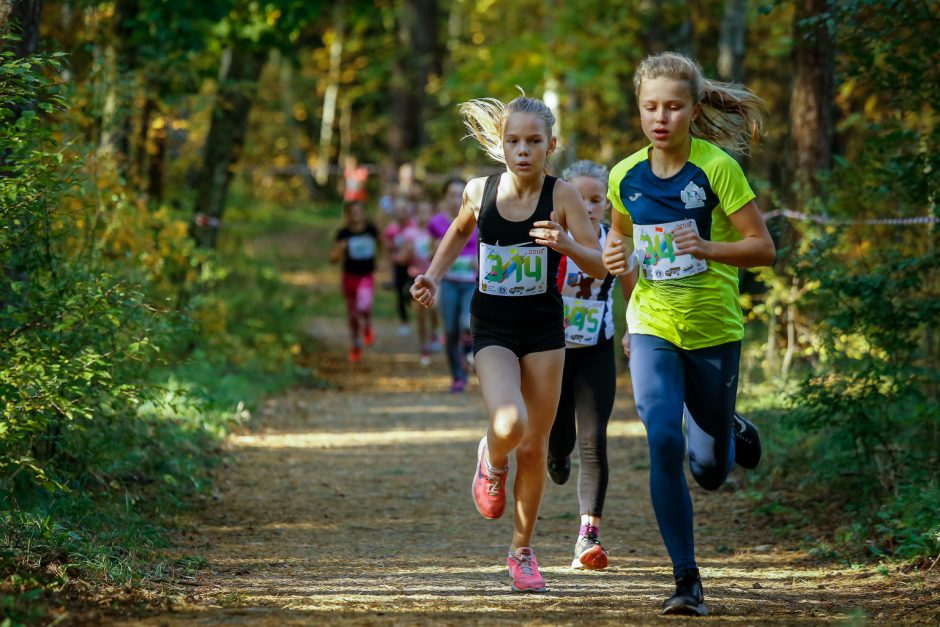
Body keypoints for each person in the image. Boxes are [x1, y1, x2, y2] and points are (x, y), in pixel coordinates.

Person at [411, 92, 606, 593]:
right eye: (513, 141)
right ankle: (492, 459)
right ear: (500, 145)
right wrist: (432, 276)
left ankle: (521, 552)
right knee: (509, 422)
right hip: (493, 327)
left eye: (534, 142)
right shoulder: (480, 190)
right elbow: (457, 232)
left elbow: (598, 263)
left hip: (544, 330)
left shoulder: (562, 196)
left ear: (550, 145)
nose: (523, 150)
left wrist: (565, 244)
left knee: (536, 447)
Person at [603, 52, 775, 616]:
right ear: (639, 108)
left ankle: (726, 423)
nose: (661, 117)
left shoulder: (718, 168)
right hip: (653, 324)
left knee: (711, 470)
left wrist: (708, 248)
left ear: (693, 109)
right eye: (651, 106)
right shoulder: (623, 175)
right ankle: (686, 578)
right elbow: (622, 248)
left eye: (674, 107)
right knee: (662, 439)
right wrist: (615, 258)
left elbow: (763, 249)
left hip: (714, 328)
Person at [547, 160, 636, 571]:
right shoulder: (549, 240)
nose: (588, 206)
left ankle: (588, 535)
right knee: (560, 436)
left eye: (596, 199)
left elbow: (636, 292)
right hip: (551, 352)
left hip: (596, 350)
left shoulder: (616, 244)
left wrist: (632, 331)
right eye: (580, 199)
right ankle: (555, 454)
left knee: (593, 440)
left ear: (607, 204)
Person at [428, 176, 475, 392]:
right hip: (448, 283)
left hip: (471, 283)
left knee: (467, 323)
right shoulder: (436, 222)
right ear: (444, 198)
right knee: (450, 330)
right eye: (452, 195)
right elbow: (429, 253)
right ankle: (457, 375)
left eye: (460, 195)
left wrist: (479, 260)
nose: (456, 199)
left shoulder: (477, 219)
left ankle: (469, 355)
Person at [329, 201, 380, 363]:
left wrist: (382, 261)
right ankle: (355, 344)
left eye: (359, 211)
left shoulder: (371, 230)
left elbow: (382, 244)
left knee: (363, 306)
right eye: (353, 212)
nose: (357, 215)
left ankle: (367, 326)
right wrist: (341, 249)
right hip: (349, 276)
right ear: (348, 215)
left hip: (366, 276)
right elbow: (333, 259)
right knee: (352, 314)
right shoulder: (343, 233)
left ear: (364, 213)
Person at [401, 200, 435, 365]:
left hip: (434, 277)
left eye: (427, 212)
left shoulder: (436, 232)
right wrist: (407, 253)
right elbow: (402, 257)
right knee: (420, 314)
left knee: (434, 308)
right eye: (420, 212)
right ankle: (424, 346)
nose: (424, 216)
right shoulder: (410, 233)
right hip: (415, 277)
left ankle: (434, 332)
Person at [383, 196, 414, 335]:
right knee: (399, 294)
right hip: (398, 265)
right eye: (399, 210)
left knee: (409, 291)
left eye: (404, 210)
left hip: (414, 265)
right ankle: (404, 322)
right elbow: (387, 247)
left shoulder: (414, 225)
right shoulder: (391, 229)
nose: (402, 213)